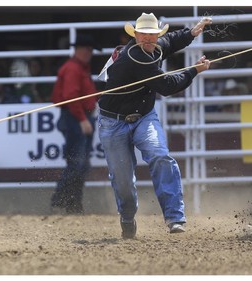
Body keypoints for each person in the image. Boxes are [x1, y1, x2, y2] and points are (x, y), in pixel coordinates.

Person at [97, 13, 212, 238]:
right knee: (123, 180)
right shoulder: (135, 59)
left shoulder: (153, 47)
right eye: (144, 35)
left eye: (153, 35)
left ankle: (175, 218)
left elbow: (169, 41)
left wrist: (191, 32)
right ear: (136, 35)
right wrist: (193, 71)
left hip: (142, 116)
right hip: (113, 122)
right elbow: (167, 86)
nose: (149, 40)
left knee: (160, 155)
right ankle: (127, 217)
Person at [50, 34, 100, 214]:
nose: (89, 53)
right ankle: (61, 200)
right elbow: (72, 97)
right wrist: (82, 119)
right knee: (77, 163)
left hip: (76, 117)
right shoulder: (74, 68)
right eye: (87, 49)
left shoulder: (78, 68)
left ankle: (72, 203)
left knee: (80, 163)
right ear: (79, 50)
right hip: (75, 118)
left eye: (90, 50)